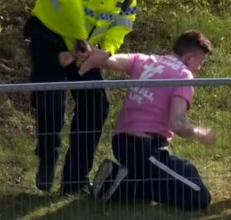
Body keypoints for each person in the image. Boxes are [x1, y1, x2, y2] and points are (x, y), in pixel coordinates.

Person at [23, 0, 154, 195]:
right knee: (51, 104)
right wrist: (79, 43)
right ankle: (47, 159)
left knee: (96, 104)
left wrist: (105, 52)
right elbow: (70, 2)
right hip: (49, 37)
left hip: (86, 47)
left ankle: (75, 180)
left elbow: (124, 20)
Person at [85, 31, 216, 212]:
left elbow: (111, 60)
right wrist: (199, 133)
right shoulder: (183, 75)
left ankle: (128, 179)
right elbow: (177, 123)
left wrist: (98, 55)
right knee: (199, 197)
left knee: (166, 176)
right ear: (189, 58)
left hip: (121, 143)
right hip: (146, 148)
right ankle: (124, 183)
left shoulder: (144, 59)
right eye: (200, 63)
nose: (199, 68)